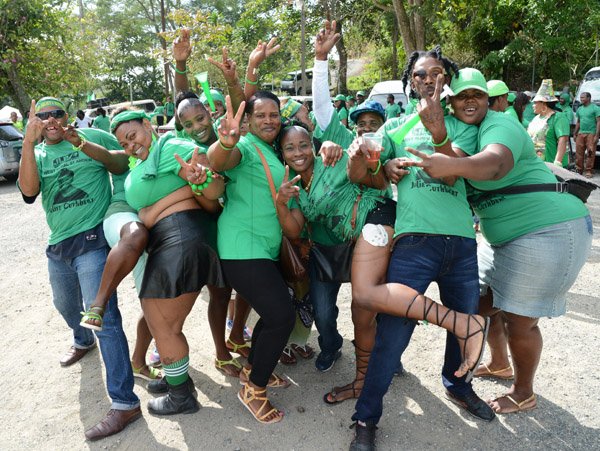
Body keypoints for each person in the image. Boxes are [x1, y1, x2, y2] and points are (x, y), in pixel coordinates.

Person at [406, 68, 592, 416]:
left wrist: (445, 160)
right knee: (479, 305)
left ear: (490, 100)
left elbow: (494, 165)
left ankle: (523, 391)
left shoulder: (499, 124)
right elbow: (451, 168)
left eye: (477, 94)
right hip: (502, 237)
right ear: (451, 101)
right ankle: (499, 363)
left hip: (547, 228)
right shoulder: (462, 130)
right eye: (462, 96)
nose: (470, 101)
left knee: (518, 319)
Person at [349, 49, 495, 451]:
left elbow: (457, 174)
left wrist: (438, 133)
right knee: (392, 334)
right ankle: (365, 418)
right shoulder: (395, 125)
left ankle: (457, 385)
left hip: (462, 241)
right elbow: (366, 177)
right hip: (413, 241)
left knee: (462, 324)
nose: (428, 80)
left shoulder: (465, 124)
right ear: (410, 83)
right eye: (419, 75)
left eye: (436, 73)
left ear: (447, 79)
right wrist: (381, 163)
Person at [18, 97, 141, 441]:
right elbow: (28, 192)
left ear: (67, 117)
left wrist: (81, 143)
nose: (52, 119)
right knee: (65, 305)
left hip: (92, 240)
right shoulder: (37, 153)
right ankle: (80, 338)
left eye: (57, 113)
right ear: (37, 122)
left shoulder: (90, 136)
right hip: (59, 244)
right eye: (43, 116)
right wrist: (28, 141)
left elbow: (121, 165)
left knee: (102, 315)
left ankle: (124, 402)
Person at [111, 108, 226, 415]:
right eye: (124, 143)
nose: (130, 145)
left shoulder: (171, 147)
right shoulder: (148, 160)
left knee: (163, 324)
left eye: (133, 135)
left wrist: (195, 183)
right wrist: (158, 208)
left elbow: (208, 182)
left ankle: (181, 396)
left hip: (181, 237)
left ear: (148, 125)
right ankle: (179, 380)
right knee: (161, 319)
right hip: (176, 239)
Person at [208, 92, 295, 424]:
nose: (270, 120)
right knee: (281, 316)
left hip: (261, 249)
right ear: (248, 121)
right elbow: (220, 162)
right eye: (262, 115)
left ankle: (253, 369)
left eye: (275, 114)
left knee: (273, 316)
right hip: (242, 248)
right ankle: (254, 390)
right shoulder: (244, 146)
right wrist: (227, 143)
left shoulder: (271, 150)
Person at [526, 79, 570, 167]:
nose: (533, 105)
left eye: (535, 102)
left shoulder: (558, 117)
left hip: (550, 163)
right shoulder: (536, 118)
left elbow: (563, 140)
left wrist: (557, 162)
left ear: (544, 104)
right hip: (535, 163)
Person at [574, 91, 600, 177]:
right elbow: (578, 122)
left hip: (591, 134)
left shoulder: (595, 108)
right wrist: (575, 133)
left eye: (583, 98)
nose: (581, 99)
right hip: (581, 133)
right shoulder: (580, 109)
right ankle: (579, 170)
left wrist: (597, 135)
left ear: (588, 98)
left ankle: (588, 171)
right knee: (579, 152)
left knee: (590, 152)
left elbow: (599, 122)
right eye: (580, 98)